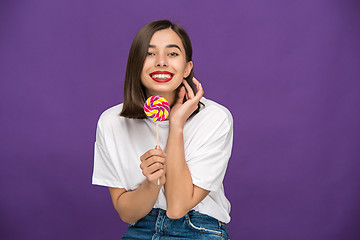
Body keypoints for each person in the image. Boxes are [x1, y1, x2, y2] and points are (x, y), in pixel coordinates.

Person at [92, 19, 233, 239]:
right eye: (149, 54)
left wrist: (176, 125)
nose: (161, 62)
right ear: (135, 64)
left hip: (199, 228)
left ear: (187, 67)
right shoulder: (112, 122)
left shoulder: (215, 118)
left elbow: (178, 208)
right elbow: (127, 214)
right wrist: (151, 183)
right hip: (140, 229)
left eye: (173, 54)